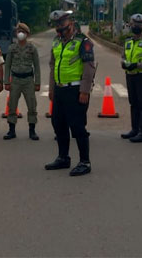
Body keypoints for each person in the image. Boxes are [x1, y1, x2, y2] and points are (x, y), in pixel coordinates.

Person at [45, 11, 96, 176]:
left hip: (75, 90)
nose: (59, 27)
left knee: (77, 126)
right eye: (57, 24)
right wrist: (52, 89)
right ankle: (63, 157)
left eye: (62, 23)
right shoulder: (56, 42)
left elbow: (89, 67)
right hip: (60, 90)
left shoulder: (83, 42)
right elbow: (53, 66)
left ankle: (85, 162)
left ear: (71, 23)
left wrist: (84, 90)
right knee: (58, 124)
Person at [120, 14, 142, 143]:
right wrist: (124, 63)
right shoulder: (128, 41)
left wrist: (138, 65)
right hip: (130, 75)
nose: (136, 26)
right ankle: (134, 129)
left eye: (139, 24)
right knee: (133, 102)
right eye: (134, 24)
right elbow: (123, 56)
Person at [3, 22, 41, 140]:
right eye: (19, 31)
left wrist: (37, 82)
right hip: (15, 80)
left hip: (28, 80)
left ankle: (32, 131)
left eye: (23, 32)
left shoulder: (32, 48)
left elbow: (37, 66)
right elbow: (7, 66)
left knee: (32, 105)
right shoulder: (12, 48)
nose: (20, 34)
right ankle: (11, 130)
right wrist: (6, 82)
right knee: (12, 105)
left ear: (27, 34)